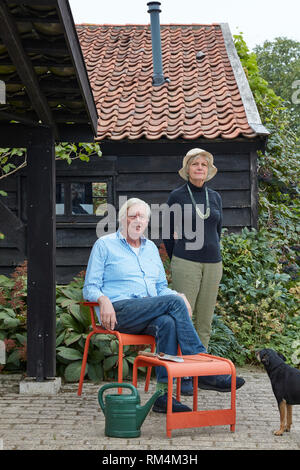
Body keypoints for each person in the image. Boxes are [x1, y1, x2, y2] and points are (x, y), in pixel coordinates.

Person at [83, 197, 244, 413]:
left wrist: (178, 295)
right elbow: (90, 287)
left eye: (142, 217)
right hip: (118, 311)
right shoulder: (105, 244)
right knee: (174, 303)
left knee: (167, 322)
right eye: (132, 216)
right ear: (122, 219)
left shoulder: (150, 249)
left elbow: (160, 288)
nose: (137, 221)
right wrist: (103, 300)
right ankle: (201, 369)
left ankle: (162, 397)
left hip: (146, 312)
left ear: (147, 222)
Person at [163, 148, 243, 395]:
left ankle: (199, 372)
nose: (199, 167)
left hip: (213, 263)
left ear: (208, 170)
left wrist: (211, 252)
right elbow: (167, 232)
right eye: (195, 164)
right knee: (183, 318)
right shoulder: (176, 196)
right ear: (187, 169)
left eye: (204, 164)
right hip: (186, 262)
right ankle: (182, 375)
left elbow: (217, 232)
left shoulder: (215, 197)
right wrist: (180, 254)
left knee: (205, 322)